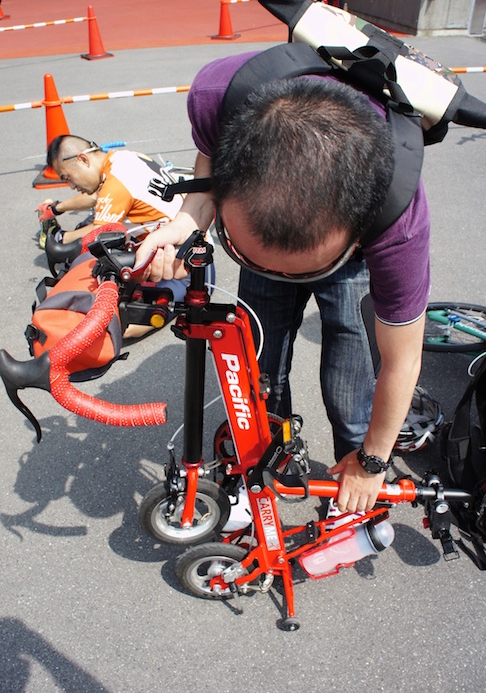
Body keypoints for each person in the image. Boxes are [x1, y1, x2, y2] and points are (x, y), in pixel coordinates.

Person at [134, 50, 430, 514]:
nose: (282, 276)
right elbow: (210, 166)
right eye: (258, 258)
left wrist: (373, 461)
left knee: (350, 374)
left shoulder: (397, 216)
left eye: (303, 267)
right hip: (277, 193)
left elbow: (402, 360)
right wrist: (187, 220)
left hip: (349, 259)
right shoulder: (217, 96)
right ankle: (258, 468)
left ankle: (354, 487)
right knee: (257, 363)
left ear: (357, 229)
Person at [37, 134, 194, 338]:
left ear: (83, 159)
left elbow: (97, 231)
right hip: (179, 247)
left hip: (180, 270)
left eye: (67, 178)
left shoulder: (116, 183)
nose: (71, 187)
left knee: (109, 327)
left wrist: (61, 239)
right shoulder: (124, 159)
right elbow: (96, 197)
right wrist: (58, 208)